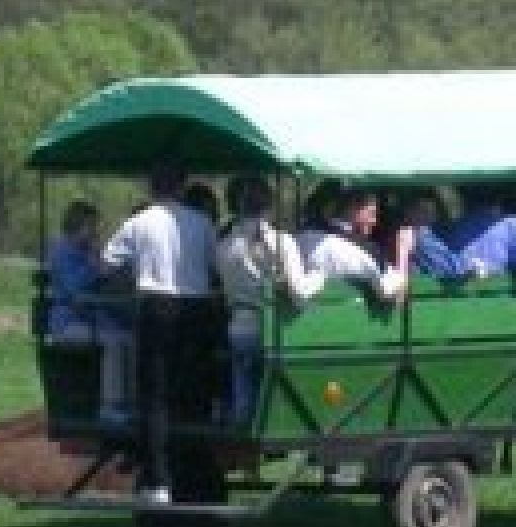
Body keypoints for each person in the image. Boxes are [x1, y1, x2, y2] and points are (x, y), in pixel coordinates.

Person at [102, 162, 220, 506]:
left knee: (154, 396)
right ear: (182, 187)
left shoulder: (139, 223)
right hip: (195, 309)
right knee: (192, 390)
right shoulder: (201, 222)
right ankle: (196, 465)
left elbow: (107, 262)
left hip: (156, 307)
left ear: (152, 188)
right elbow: (215, 266)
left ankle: (159, 481)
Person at [216, 174, 326, 427]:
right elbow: (298, 291)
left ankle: (242, 438)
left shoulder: (224, 244)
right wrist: (319, 277)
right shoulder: (281, 242)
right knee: (271, 395)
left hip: (238, 324)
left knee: (242, 389)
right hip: (270, 326)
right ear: (269, 203)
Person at [45, 200, 137, 425]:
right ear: (80, 225)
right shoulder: (61, 252)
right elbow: (75, 288)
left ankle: (133, 403)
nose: (96, 231)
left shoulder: (86, 252)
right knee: (114, 342)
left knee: (131, 338)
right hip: (67, 324)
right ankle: (110, 406)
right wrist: (95, 265)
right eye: (92, 226)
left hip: (91, 320)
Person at [299, 185, 406, 302]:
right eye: (372, 214)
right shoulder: (361, 251)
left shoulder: (303, 238)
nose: (374, 222)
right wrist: (403, 249)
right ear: (354, 210)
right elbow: (389, 288)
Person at [444, 182, 516, 278]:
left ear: (463, 198)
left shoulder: (451, 231)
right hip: (504, 293)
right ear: (500, 198)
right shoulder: (512, 225)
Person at [387, 187, 474, 283]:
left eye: (432, 211)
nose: (431, 215)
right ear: (409, 211)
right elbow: (455, 272)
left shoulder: (433, 233)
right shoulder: (416, 235)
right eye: (424, 211)